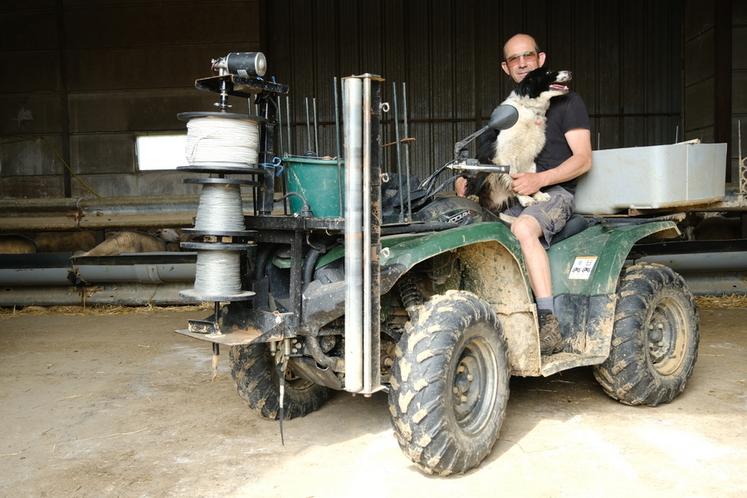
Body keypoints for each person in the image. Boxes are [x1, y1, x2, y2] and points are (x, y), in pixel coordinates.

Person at [457, 33, 592, 355]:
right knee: (460, 223)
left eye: (527, 56)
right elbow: (488, 156)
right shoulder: (507, 111)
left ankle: (548, 321)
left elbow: (583, 159)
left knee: (523, 228)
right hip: (510, 193)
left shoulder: (568, 102)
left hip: (554, 192)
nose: (522, 63)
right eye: (515, 59)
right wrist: (465, 180)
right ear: (506, 68)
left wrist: (539, 180)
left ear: (540, 59)